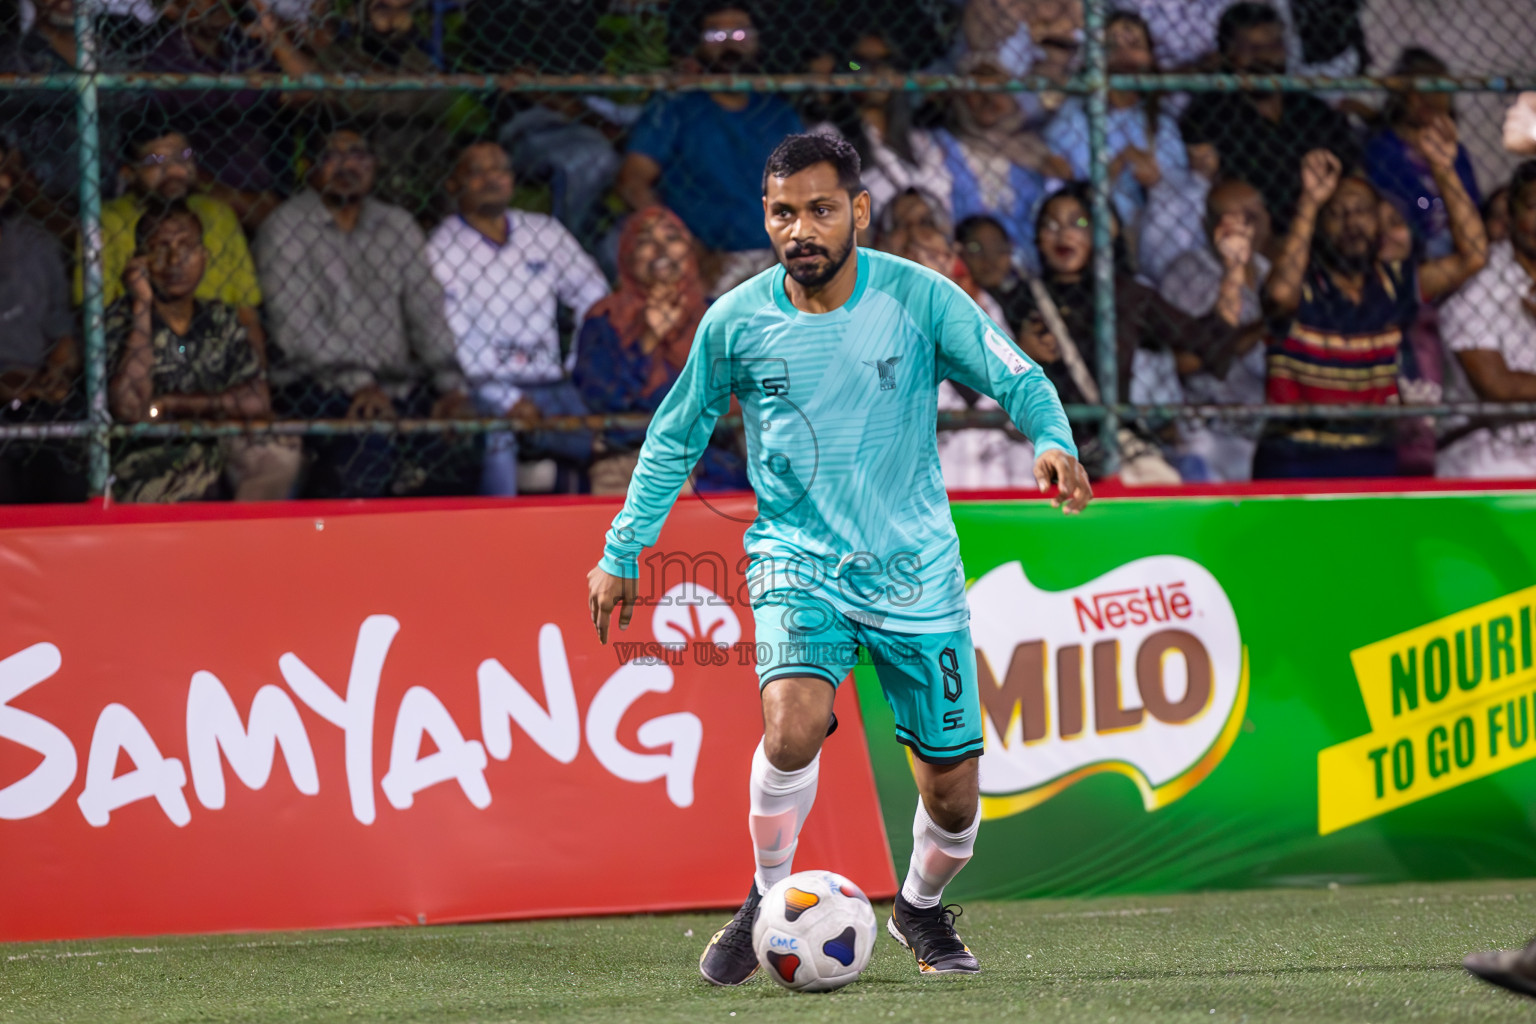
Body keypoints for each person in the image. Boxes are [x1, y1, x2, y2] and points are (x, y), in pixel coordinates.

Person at [585, 133, 1089, 983]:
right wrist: (622, 549)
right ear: (767, 218)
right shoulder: (736, 320)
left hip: (915, 574)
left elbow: (1017, 374)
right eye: (784, 213)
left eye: (821, 210)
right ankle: (768, 897)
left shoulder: (920, 297)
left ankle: (920, 909)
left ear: (857, 210)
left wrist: (1051, 437)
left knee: (954, 797)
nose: (801, 230)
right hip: (796, 561)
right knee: (790, 724)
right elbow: (675, 437)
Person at [256, 128, 477, 498]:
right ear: (309, 166)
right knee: (366, 448)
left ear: (374, 164)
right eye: (333, 155)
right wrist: (358, 382)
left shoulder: (397, 224)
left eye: (358, 154)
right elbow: (295, 328)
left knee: (462, 445)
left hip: (396, 383)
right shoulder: (285, 227)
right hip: (315, 383)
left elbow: (427, 312)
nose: (347, 165)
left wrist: (450, 387)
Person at [1258, 129, 1487, 479]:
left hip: (1372, 455)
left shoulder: (1394, 283)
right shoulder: (1300, 283)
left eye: (1362, 212)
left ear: (1380, 221)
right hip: (1296, 460)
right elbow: (1278, 296)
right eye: (1336, 214)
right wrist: (1310, 201)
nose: (1351, 223)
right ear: (1320, 226)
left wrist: (1443, 169)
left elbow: (1473, 255)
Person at [1015, 181, 1250, 478]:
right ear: (1036, 237)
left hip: (1107, 451)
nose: (1064, 233)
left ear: (1100, 234)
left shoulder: (1125, 296)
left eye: (1079, 222)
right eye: (1050, 224)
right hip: (1030, 448)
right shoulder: (1021, 299)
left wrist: (1234, 269)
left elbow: (1209, 339)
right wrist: (1016, 350)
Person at [428, 141, 608, 495]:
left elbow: (594, 293)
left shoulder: (542, 230)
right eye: (476, 171)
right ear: (453, 183)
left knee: (605, 438)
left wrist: (577, 362)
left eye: (500, 169)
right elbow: (456, 338)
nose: (491, 179)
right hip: (485, 384)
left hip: (551, 379)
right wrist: (508, 398)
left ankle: (593, 531)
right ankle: (500, 533)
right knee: (499, 439)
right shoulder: (441, 248)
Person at [616, 2, 803, 295]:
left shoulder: (778, 112)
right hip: (702, 257)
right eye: (716, 36)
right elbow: (633, 181)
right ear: (698, 44)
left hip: (778, 254)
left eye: (740, 35)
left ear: (757, 41)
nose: (729, 44)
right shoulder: (676, 107)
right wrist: (685, 247)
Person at [106, 200, 278, 502]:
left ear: (204, 256)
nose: (174, 260)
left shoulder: (220, 317)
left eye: (186, 248)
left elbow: (256, 399)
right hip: (145, 465)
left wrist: (171, 403)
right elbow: (131, 408)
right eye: (160, 248)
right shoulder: (120, 319)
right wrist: (142, 307)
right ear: (140, 260)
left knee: (277, 454)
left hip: (217, 454)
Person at [572, 206, 747, 496]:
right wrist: (648, 342)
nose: (660, 248)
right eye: (644, 241)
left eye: (672, 237)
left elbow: (731, 402)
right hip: (632, 454)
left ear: (689, 251)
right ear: (628, 256)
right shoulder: (604, 322)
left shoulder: (720, 317)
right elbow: (603, 400)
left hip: (714, 458)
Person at [1179, 2, 1360, 237]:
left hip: (1325, 234)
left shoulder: (1310, 109)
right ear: (1227, 55)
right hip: (1252, 240)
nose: (1264, 56)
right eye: (1251, 48)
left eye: (1274, 46)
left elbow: (1353, 172)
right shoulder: (1208, 116)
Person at [1044, 11, 1191, 272]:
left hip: (1150, 237)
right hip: (1085, 235)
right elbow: (1061, 189)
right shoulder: (1073, 119)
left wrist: (1154, 179)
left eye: (1134, 46)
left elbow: (1177, 192)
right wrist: (1120, 162)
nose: (1123, 56)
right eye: (1112, 47)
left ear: (1150, 58)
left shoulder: (1160, 124)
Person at [1158, 180, 1272, 482]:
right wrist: (1258, 329)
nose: (1245, 229)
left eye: (1253, 217)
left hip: (1265, 426)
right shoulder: (1187, 273)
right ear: (1207, 225)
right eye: (1232, 220)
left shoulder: (1270, 273)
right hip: (1209, 428)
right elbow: (1184, 362)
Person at [1435, 160, 1536, 479]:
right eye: (1534, 207)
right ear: (1511, 215)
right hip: (1487, 459)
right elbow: (1496, 385)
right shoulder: (1480, 282)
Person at [0, 146, 85, 504]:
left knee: (61, 470)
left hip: (34, 395)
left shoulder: (36, 244)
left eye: (5, 172)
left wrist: (57, 372)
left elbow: (62, 329)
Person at [933, 54, 1068, 274]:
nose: (988, 99)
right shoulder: (940, 148)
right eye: (977, 89)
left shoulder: (1033, 152)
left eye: (998, 89)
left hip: (1031, 272)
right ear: (960, 96)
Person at [812, 32, 952, 230]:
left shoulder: (920, 142)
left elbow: (943, 205)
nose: (874, 72)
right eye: (859, 63)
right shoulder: (827, 137)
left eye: (885, 62)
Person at [1364, 48, 1482, 261]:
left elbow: (1475, 207)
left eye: (1437, 88)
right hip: (1412, 255)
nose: (1429, 98)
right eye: (1418, 89)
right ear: (1401, 95)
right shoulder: (1382, 149)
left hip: (1461, 248)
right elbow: (1406, 211)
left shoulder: (1457, 154)